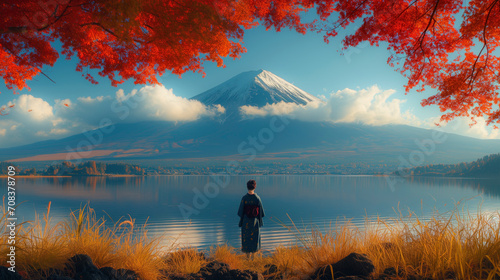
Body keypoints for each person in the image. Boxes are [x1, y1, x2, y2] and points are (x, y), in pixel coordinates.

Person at [237, 179, 265, 259]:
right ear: (255, 187)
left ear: (247, 187)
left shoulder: (244, 198)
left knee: (246, 237)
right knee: (254, 238)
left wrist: (241, 221)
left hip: (246, 221)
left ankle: (247, 257)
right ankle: (253, 256)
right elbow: (261, 212)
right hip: (255, 221)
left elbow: (240, 212)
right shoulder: (257, 198)